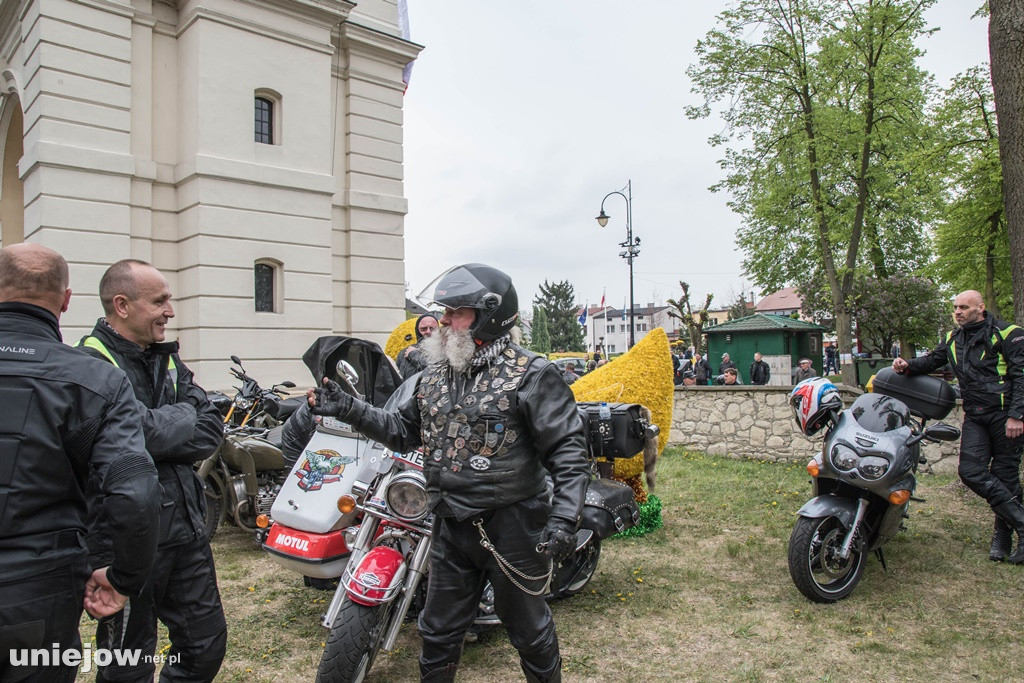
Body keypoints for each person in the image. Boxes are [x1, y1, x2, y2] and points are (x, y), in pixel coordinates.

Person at [309, 263, 589, 683]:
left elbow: (569, 451)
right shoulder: (433, 376)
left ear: (490, 315)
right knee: (437, 631)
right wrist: (347, 408)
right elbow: (401, 431)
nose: (443, 320)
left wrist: (565, 517)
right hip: (448, 523)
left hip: (513, 526)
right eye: (444, 311)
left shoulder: (532, 374)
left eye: (456, 311)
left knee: (529, 630)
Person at [0, 244, 159, 683]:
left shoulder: (96, 378)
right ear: (66, 300)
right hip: (38, 592)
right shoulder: (96, 380)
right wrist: (124, 577)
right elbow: (135, 492)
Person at [78, 259, 227, 682]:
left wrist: (154, 429)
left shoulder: (168, 359)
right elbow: (128, 439)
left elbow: (209, 430)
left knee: (205, 646)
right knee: (127, 665)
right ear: (122, 305)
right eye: (160, 301)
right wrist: (178, 418)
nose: (170, 311)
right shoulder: (90, 363)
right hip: (124, 544)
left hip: (186, 533)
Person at [893, 290, 1024, 564]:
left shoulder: (1009, 333)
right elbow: (932, 361)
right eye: (955, 307)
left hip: (1005, 417)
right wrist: (907, 366)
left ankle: (1003, 537)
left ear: (981, 307)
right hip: (975, 415)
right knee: (970, 472)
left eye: (964, 307)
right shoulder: (953, 338)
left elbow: (1022, 376)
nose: (958, 312)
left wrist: (1017, 415)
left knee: (1005, 476)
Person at [398, 313, 440, 378]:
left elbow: (436, 370)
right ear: (417, 330)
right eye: (423, 329)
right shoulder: (404, 352)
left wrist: (414, 355)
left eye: (432, 329)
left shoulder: (444, 352)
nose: (428, 332)